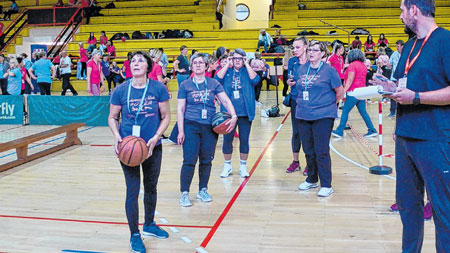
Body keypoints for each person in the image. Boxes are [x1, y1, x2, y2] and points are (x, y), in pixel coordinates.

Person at [372, 0, 450, 251]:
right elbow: (404, 85)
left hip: (435, 138)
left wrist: (417, 97)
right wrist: (389, 88)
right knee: (408, 206)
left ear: (414, 10)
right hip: (405, 136)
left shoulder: (445, 41)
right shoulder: (409, 45)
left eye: (402, 11)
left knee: (442, 210)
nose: (400, 17)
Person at [108, 51, 171, 253]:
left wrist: (156, 137)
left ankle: (150, 224)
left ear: (148, 66)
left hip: (152, 147)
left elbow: (166, 116)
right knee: (132, 191)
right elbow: (112, 118)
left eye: (140, 60)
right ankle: (135, 234)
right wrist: (117, 136)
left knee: (151, 187)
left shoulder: (158, 88)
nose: (135, 63)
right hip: (129, 149)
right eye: (133, 61)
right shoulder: (120, 90)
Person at [177, 53, 237, 207]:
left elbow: (225, 100)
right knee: (189, 160)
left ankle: (202, 190)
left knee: (206, 160)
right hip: (191, 125)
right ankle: (184, 193)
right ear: (191, 67)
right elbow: (180, 109)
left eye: (200, 63)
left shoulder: (213, 83)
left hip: (209, 126)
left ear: (206, 66)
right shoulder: (185, 85)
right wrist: (181, 131)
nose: (198, 65)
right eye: (195, 63)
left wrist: (234, 115)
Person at [293, 40, 344, 197]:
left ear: (323, 53)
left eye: (315, 50)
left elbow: (340, 91)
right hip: (303, 114)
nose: (311, 53)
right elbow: (300, 88)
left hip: (323, 115)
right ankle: (312, 179)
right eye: (310, 50)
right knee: (308, 149)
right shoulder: (302, 69)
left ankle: (326, 184)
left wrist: (328, 105)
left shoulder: (329, 71)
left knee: (321, 150)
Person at [215, 48, 260, 178]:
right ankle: (227, 165)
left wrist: (247, 64)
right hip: (228, 113)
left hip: (245, 112)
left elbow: (255, 80)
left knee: (244, 139)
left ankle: (243, 166)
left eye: (240, 59)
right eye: (235, 58)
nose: (237, 61)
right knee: (227, 140)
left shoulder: (247, 71)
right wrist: (227, 64)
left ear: (244, 59)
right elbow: (217, 79)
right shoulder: (227, 71)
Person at [332, 49, 377, 138]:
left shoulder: (352, 65)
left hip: (353, 92)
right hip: (362, 92)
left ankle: (339, 131)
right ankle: (372, 129)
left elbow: (350, 80)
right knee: (363, 112)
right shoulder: (363, 65)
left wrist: (343, 91)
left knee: (345, 111)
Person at [285, 36, 309, 174]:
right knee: (296, 131)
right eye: (293, 47)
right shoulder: (292, 61)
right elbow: (290, 77)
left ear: (306, 46)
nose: (294, 50)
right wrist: (289, 82)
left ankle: (309, 161)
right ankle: (295, 161)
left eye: (298, 47)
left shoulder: (311, 62)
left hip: (309, 101)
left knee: (307, 132)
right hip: (295, 99)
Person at [387, 40, 404, 118]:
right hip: (393, 77)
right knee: (392, 95)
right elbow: (390, 65)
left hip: (403, 78)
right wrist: (387, 64)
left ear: (402, 46)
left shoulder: (406, 54)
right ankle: (392, 111)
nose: (397, 48)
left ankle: (402, 112)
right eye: (396, 46)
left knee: (402, 95)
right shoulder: (394, 54)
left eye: (398, 46)